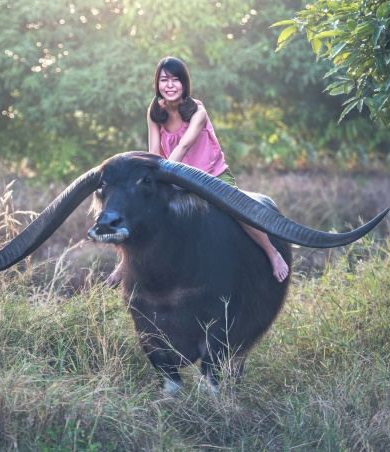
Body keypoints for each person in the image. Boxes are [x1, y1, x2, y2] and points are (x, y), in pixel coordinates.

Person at [106, 56, 290, 287]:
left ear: (184, 84)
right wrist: (152, 180)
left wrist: (163, 175)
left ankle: (272, 254)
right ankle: (124, 265)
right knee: (144, 211)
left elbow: (183, 146)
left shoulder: (198, 111)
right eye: (164, 80)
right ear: (157, 84)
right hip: (175, 177)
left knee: (239, 210)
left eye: (175, 80)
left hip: (210, 175)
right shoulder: (154, 112)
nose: (170, 85)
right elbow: (153, 152)